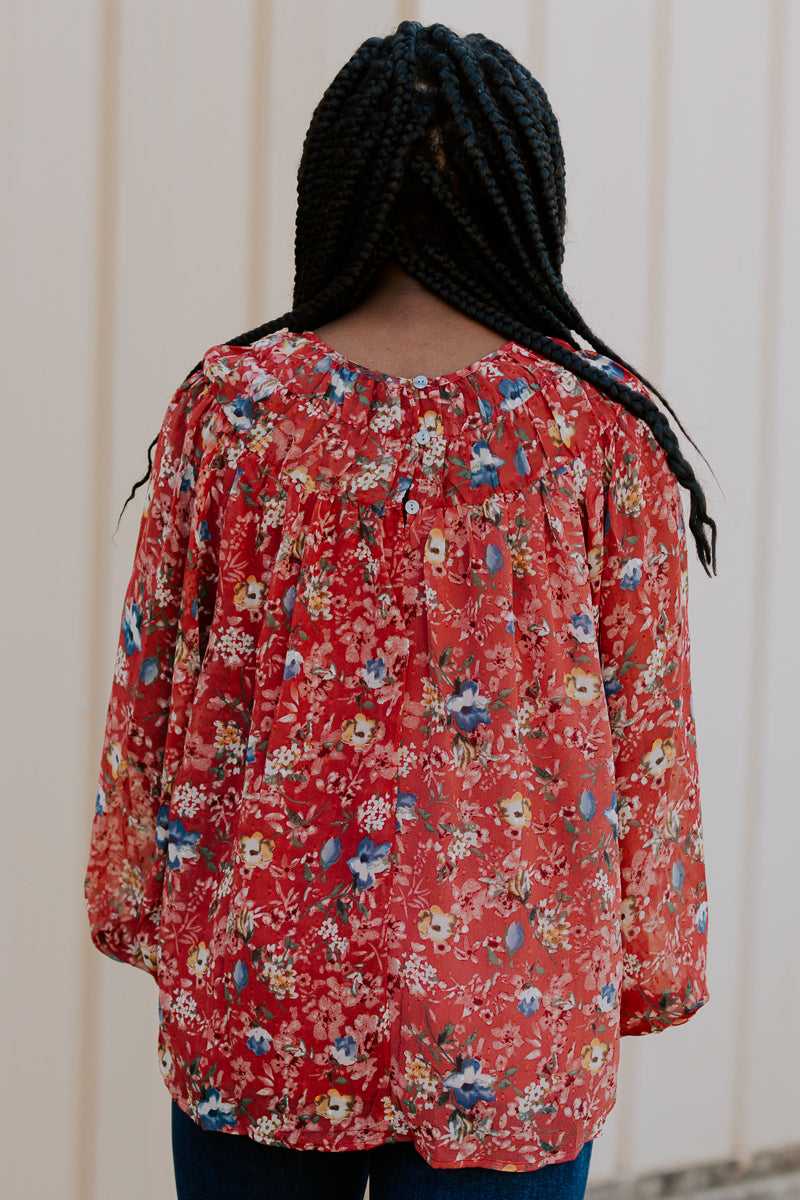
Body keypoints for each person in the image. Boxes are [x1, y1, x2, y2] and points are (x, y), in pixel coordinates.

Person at [83, 20, 715, 1200]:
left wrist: (138, 903)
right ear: (525, 196)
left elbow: (152, 691)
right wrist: (647, 959)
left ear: (334, 187)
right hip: (509, 1024)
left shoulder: (236, 410)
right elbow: (646, 729)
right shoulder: (596, 426)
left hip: (264, 1003)